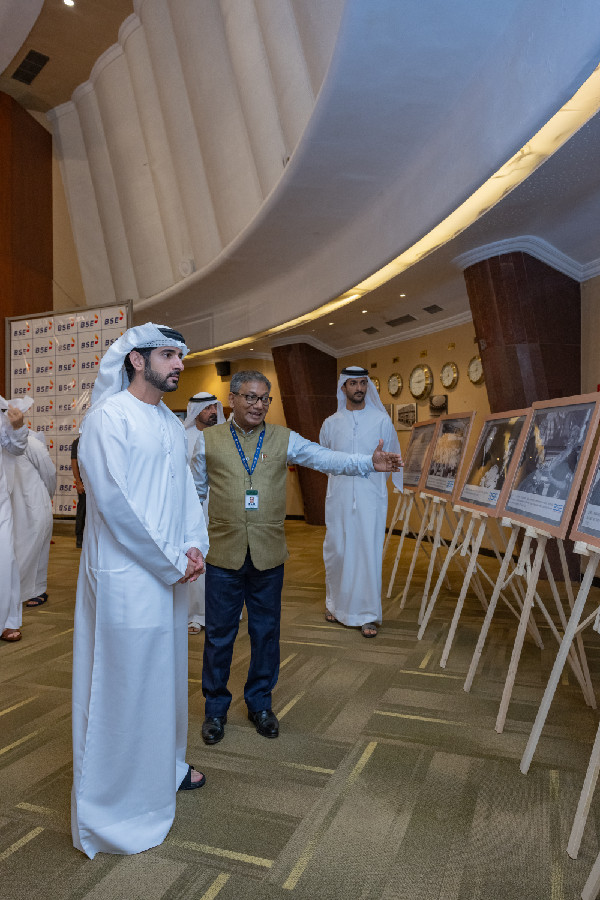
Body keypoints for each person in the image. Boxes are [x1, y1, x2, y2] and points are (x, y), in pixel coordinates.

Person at [190, 370, 403, 745]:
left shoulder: (283, 438)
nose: (258, 405)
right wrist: (191, 544)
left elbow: (327, 459)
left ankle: (260, 704)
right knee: (220, 636)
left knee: (266, 633)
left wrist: (369, 463)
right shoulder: (208, 441)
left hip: (269, 556)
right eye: (251, 397)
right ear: (233, 400)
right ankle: (215, 710)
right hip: (222, 555)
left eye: (265, 399)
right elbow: (192, 497)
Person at [71, 323, 209, 860]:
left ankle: (163, 770)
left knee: (166, 680)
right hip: (129, 579)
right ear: (136, 360)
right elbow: (116, 506)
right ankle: (115, 804)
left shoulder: (170, 425)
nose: (178, 364)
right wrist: (171, 560)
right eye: (168, 355)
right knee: (124, 685)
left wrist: (193, 546)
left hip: (172, 576)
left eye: (180, 355)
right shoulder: (107, 419)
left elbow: (187, 496)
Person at [320, 366, 403, 638]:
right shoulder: (331, 423)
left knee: (368, 553)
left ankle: (368, 615)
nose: (358, 388)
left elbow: (393, 458)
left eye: (363, 383)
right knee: (338, 551)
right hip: (339, 498)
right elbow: (324, 461)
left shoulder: (381, 420)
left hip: (371, 499)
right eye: (352, 383)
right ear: (343, 387)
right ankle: (335, 604)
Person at [183, 392, 225, 634]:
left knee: (221, 559)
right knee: (196, 556)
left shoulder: (224, 436)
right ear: (195, 411)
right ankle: (196, 614)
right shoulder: (182, 436)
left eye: (214, 407)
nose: (212, 412)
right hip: (193, 507)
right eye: (207, 408)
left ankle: (223, 611)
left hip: (221, 506)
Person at [9, 399, 56, 608]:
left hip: (35, 505)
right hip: (14, 507)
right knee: (18, 550)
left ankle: (37, 590)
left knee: (36, 550)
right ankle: (18, 590)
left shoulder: (32, 443)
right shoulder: (5, 445)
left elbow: (49, 474)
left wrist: (45, 498)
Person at [0, 396, 28, 642]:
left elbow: (16, 448)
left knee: (5, 559)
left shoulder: (2, 410)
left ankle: (7, 621)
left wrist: (18, 426)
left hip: (0, 504)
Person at [71, 436, 86, 548]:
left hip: (97, 483)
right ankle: (79, 538)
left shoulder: (98, 439)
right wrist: (78, 482)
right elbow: (74, 462)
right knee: (83, 509)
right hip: (84, 483)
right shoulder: (78, 442)